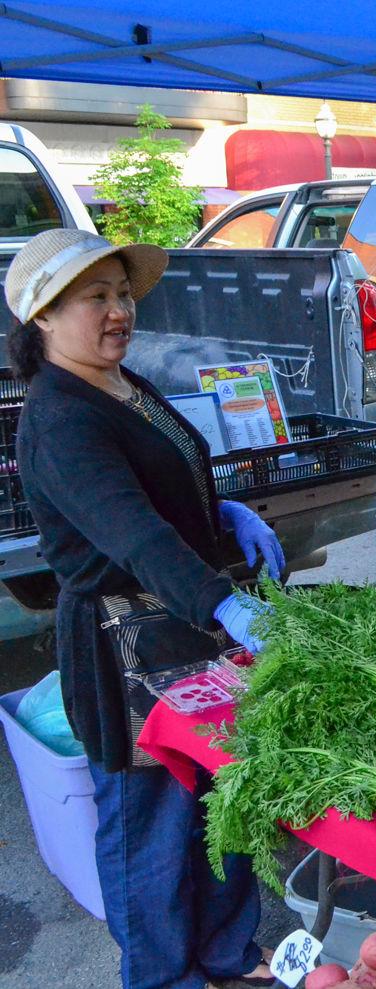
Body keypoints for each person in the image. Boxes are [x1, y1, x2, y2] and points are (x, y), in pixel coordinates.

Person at [5, 229, 286, 989]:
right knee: (148, 828)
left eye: (122, 294)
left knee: (220, 800)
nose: (118, 310)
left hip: (183, 629)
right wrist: (226, 603)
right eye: (94, 297)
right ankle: (162, 977)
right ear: (43, 317)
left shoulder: (121, 383)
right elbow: (132, 532)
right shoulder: (61, 417)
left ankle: (229, 952)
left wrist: (221, 510)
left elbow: (164, 479)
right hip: (123, 647)